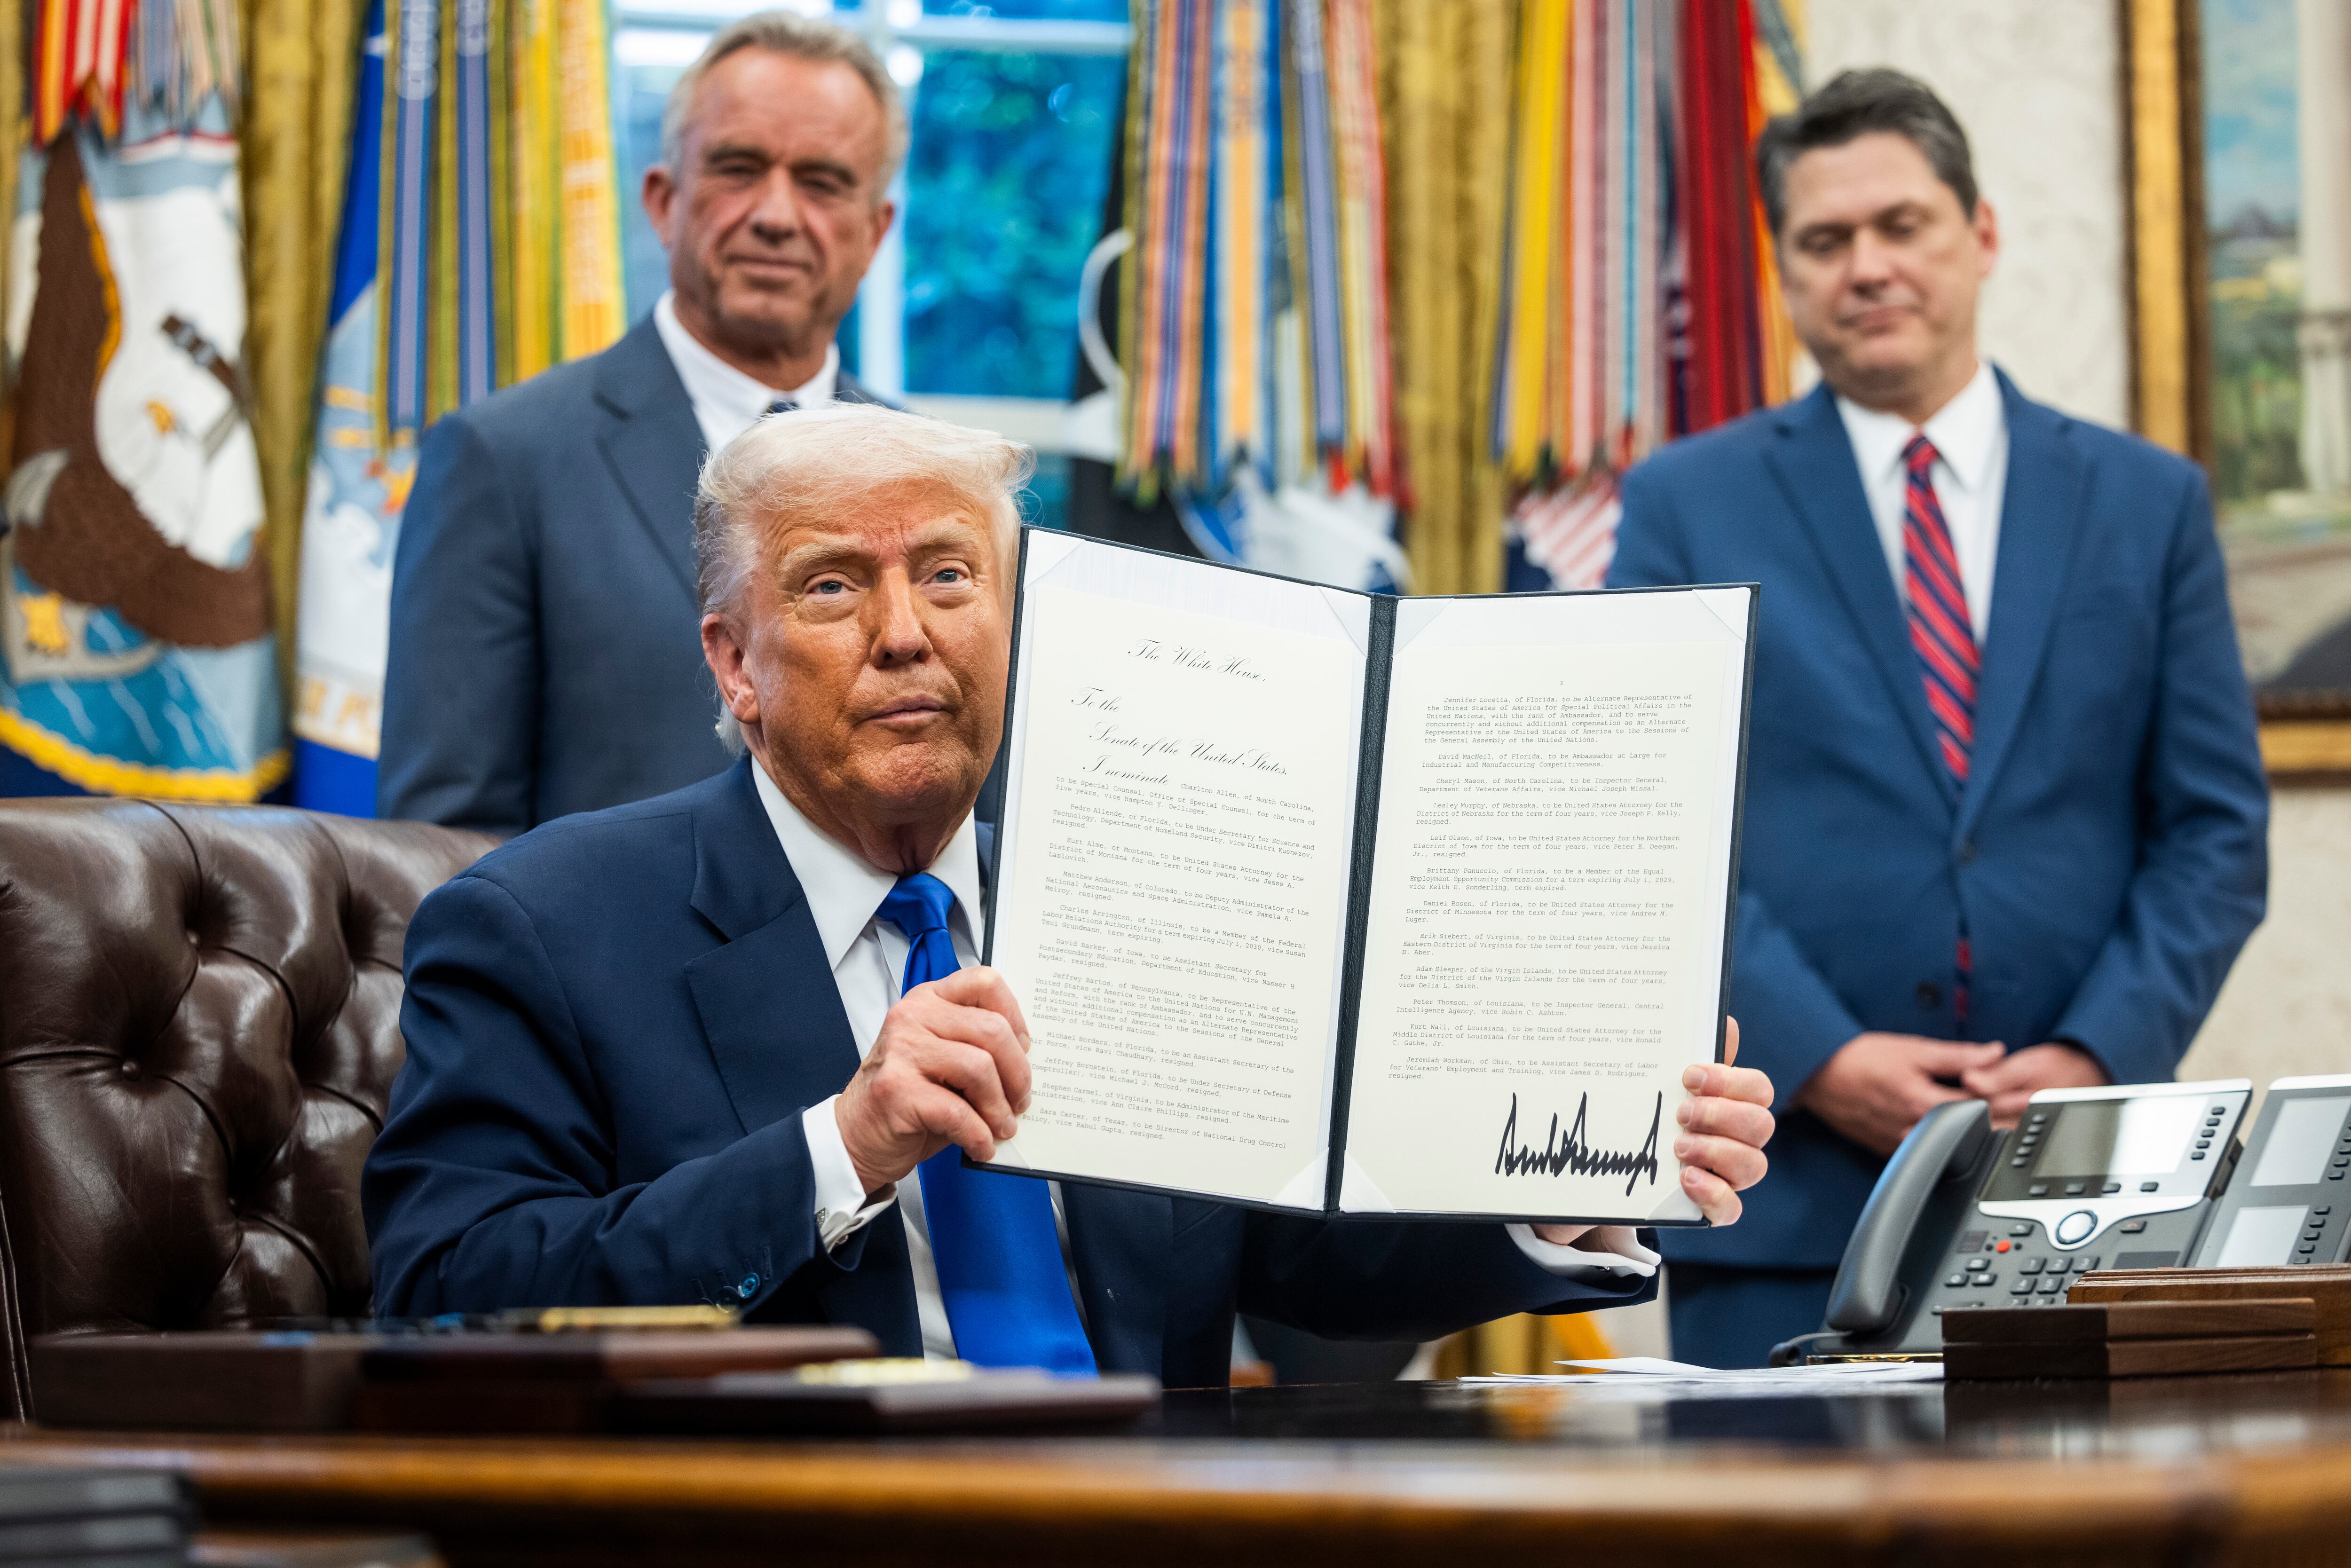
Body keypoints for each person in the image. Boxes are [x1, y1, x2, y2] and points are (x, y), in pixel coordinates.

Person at [362, 405, 1780, 1379]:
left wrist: (1570, 1188)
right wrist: (844, 1147)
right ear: (735, 662)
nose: (908, 634)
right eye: (837, 590)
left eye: (951, 575)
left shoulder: (1143, 882)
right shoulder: (542, 924)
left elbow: (1296, 1254)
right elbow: (446, 1296)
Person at [1606, 68, 2268, 1368]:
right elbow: (1647, 830)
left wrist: (2094, 1053)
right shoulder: (1684, 503)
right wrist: (1819, 1057)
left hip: (2094, 1192)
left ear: (1982, 234)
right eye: (1824, 240)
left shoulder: (2149, 502)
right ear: (1786, 274)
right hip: (1783, 1202)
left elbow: (2215, 833)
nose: (1868, 267)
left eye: (1902, 225)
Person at [378, 10, 897, 835]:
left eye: (823, 182)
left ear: (876, 234)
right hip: (598, 964)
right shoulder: (503, 460)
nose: (775, 214)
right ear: (663, 201)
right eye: (737, 168)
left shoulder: (929, 481)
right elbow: (441, 845)